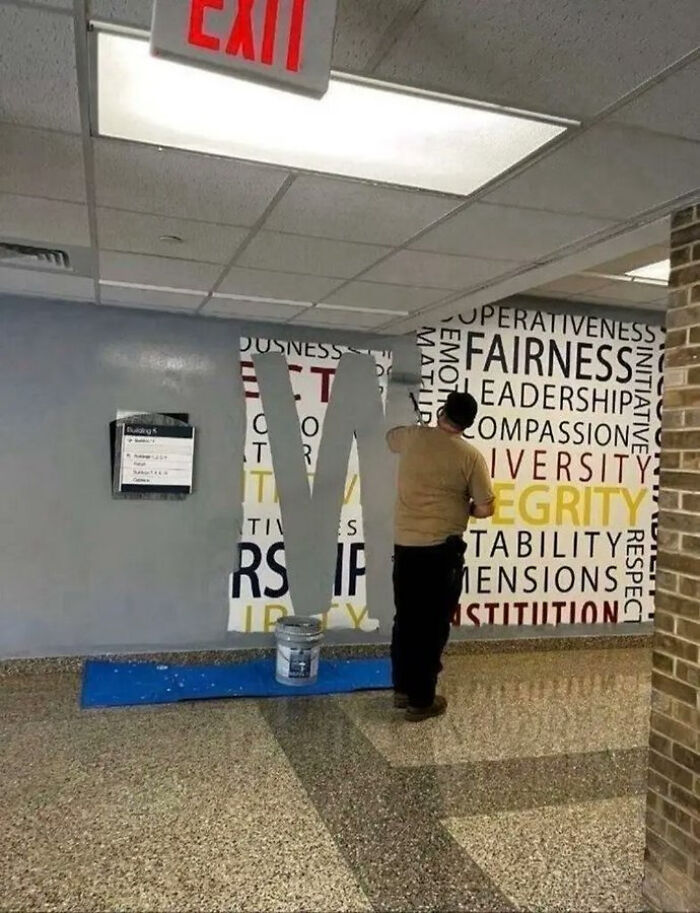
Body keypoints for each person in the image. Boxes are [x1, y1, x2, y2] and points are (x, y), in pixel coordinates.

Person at [386, 391, 495, 722]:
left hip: (405, 548)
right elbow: (485, 507)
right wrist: (465, 505)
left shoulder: (411, 438)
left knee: (405, 620)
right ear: (469, 423)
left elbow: (391, 438)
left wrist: (421, 432)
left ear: (443, 411)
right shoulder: (470, 456)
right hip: (441, 554)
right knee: (431, 626)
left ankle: (403, 690)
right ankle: (422, 701)